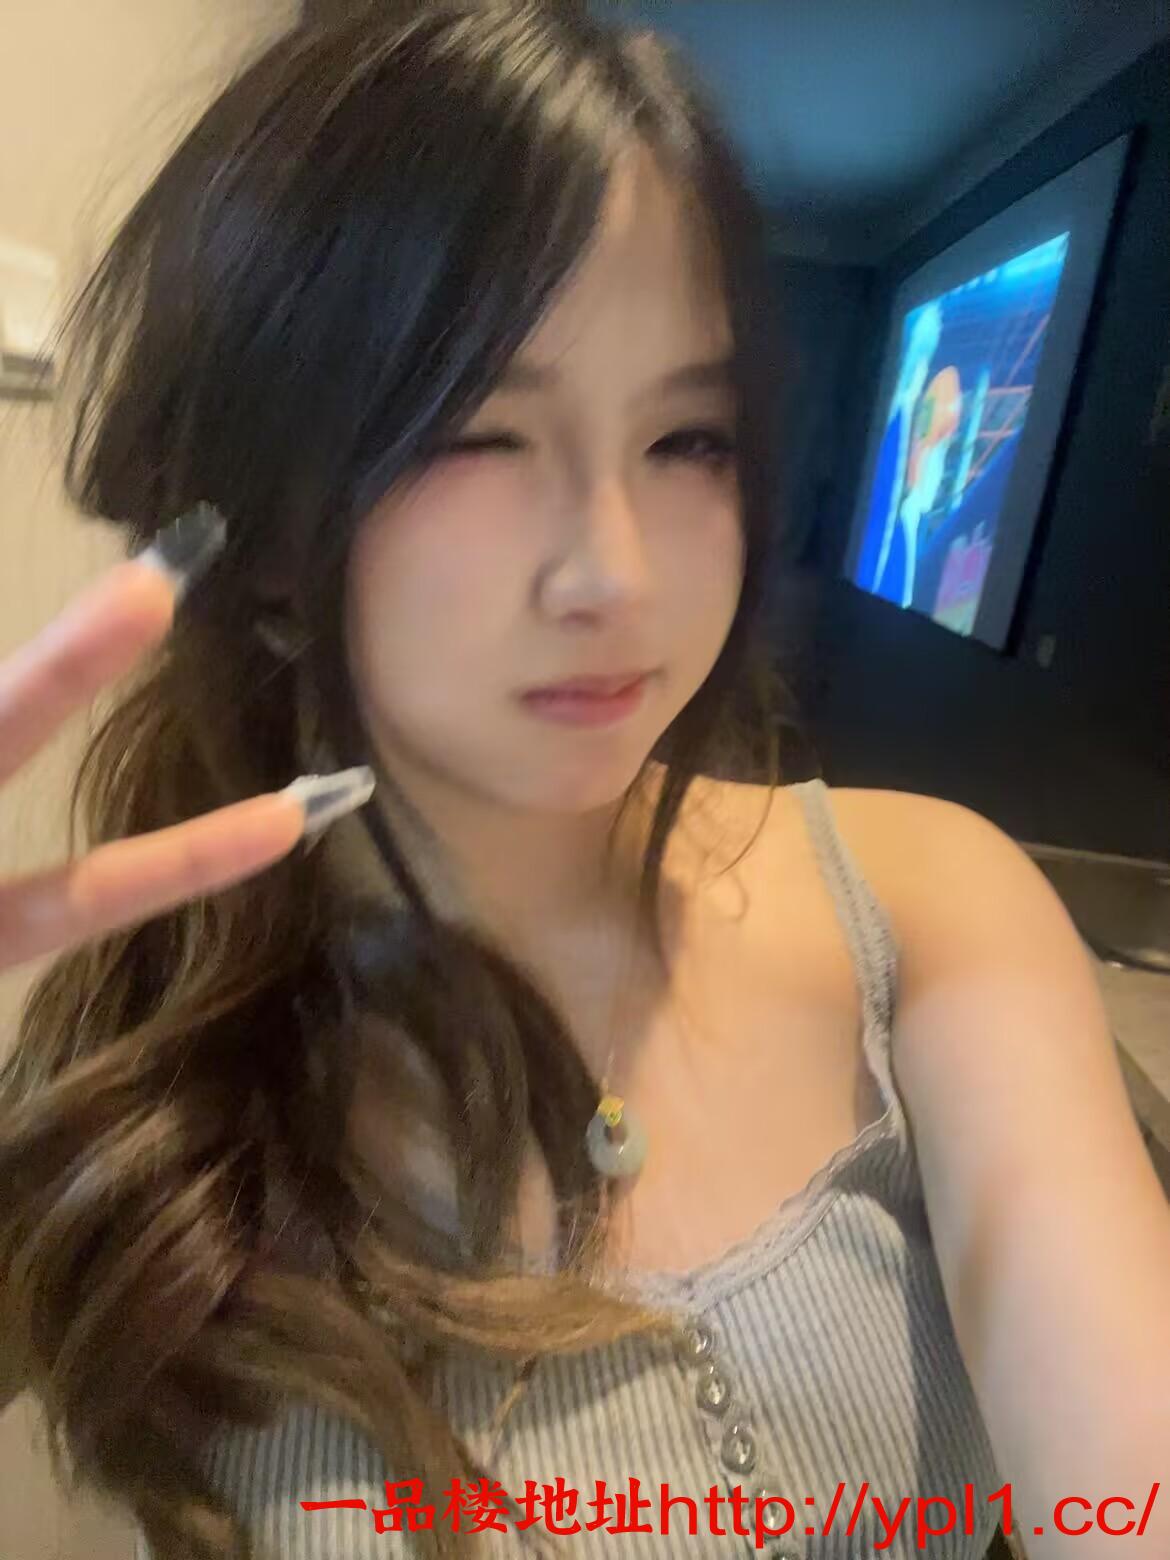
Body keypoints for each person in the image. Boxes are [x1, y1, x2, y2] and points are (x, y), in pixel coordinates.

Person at [1, 4, 1167, 1558]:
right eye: (476, 437)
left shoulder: (928, 906)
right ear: (258, 518)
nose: (615, 573)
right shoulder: (147, 1061)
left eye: (687, 439)